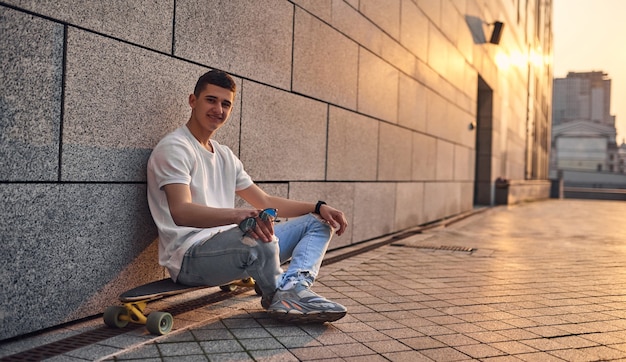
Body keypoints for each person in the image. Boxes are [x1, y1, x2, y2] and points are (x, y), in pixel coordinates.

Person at [147, 69, 349, 323]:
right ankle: (282, 294)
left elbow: (264, 201)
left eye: (226, 104)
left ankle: (292, 288)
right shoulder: (175, 148)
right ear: (192, 100)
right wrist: (239, 215)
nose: (218, 109)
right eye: (211, 100)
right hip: (190, 257)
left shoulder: (224, 155)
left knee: (317, 223)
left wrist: (318, 206)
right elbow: (181, 211)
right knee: (255, 234)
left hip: (236, 245)